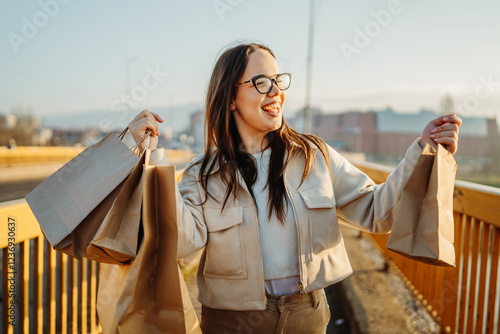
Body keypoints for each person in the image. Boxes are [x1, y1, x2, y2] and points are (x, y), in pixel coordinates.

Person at [127, 42, 461, 333]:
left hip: (307, 317)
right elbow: (180, 242)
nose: (276, 91)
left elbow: (377, 213)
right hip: (232, 322)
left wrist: (421, 149)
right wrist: (152, 161)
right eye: (261, 82)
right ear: (230, 97)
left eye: (277, 79)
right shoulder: (203, 174)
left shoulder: (316, 156)